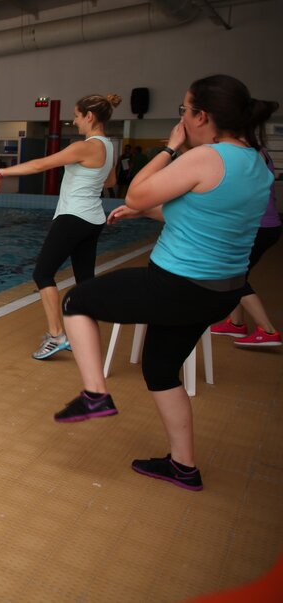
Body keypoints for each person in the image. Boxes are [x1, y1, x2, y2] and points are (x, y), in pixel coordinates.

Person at [55, 74, 276, 492]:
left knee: (76, 301)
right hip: (220, 292)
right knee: (159, 371)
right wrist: (148, 215)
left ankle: (95, 395)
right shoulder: (257, 162)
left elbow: (136, 192)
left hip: (176, 286)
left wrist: (169, 148)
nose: (182, 119)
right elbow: (210, 215)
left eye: (183, 111)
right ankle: (183, 466)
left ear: (201, 116)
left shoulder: (206, 157)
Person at [0, 93, 120, 360]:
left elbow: (39, 165)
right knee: (85, 280)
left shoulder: (86, 146)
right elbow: (110, 180)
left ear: (89, 116)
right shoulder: (109, 146)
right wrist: (87, 181)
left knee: (43, 273)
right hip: (93, 218)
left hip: (73, 216)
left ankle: (57, 336)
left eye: (77, 116)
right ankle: (86, 339)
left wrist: (0, 172)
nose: (75, 121)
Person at [208, 146, 282, 347]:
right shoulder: (260, 151)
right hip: (265, 225)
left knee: (233, 275)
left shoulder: (249, 153)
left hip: (257, 226)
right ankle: (237, 324)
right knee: (237, 273)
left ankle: (268, 330)